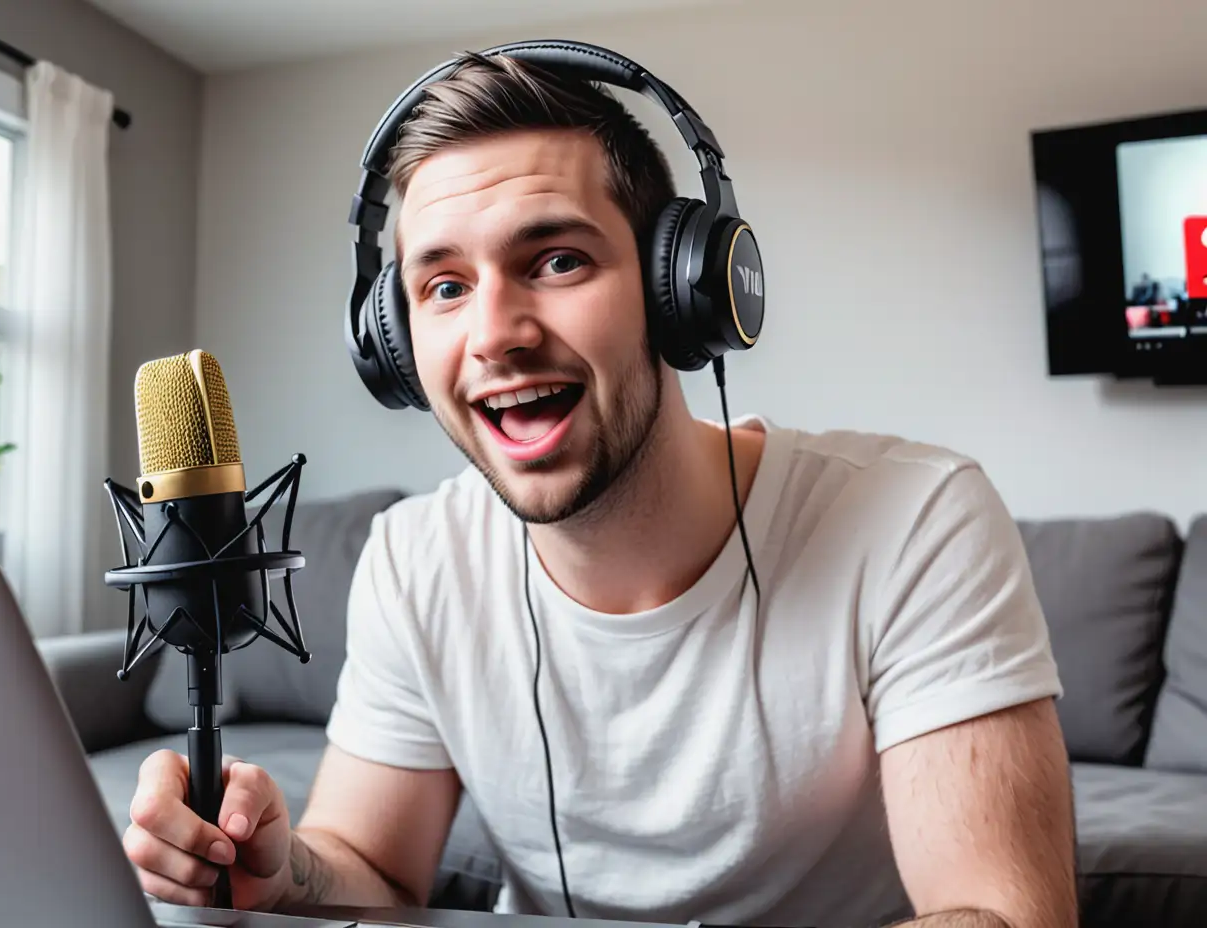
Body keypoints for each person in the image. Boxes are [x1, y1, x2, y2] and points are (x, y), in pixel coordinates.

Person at [122, 47, 1078, 928]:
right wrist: (282, 870)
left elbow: (1003, 916)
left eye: (556, 260)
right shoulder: (416, 559)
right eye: (444, 286)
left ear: (685, 293)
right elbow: (373, 868)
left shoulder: (916, 518)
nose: (495, 333)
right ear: (394, 346)